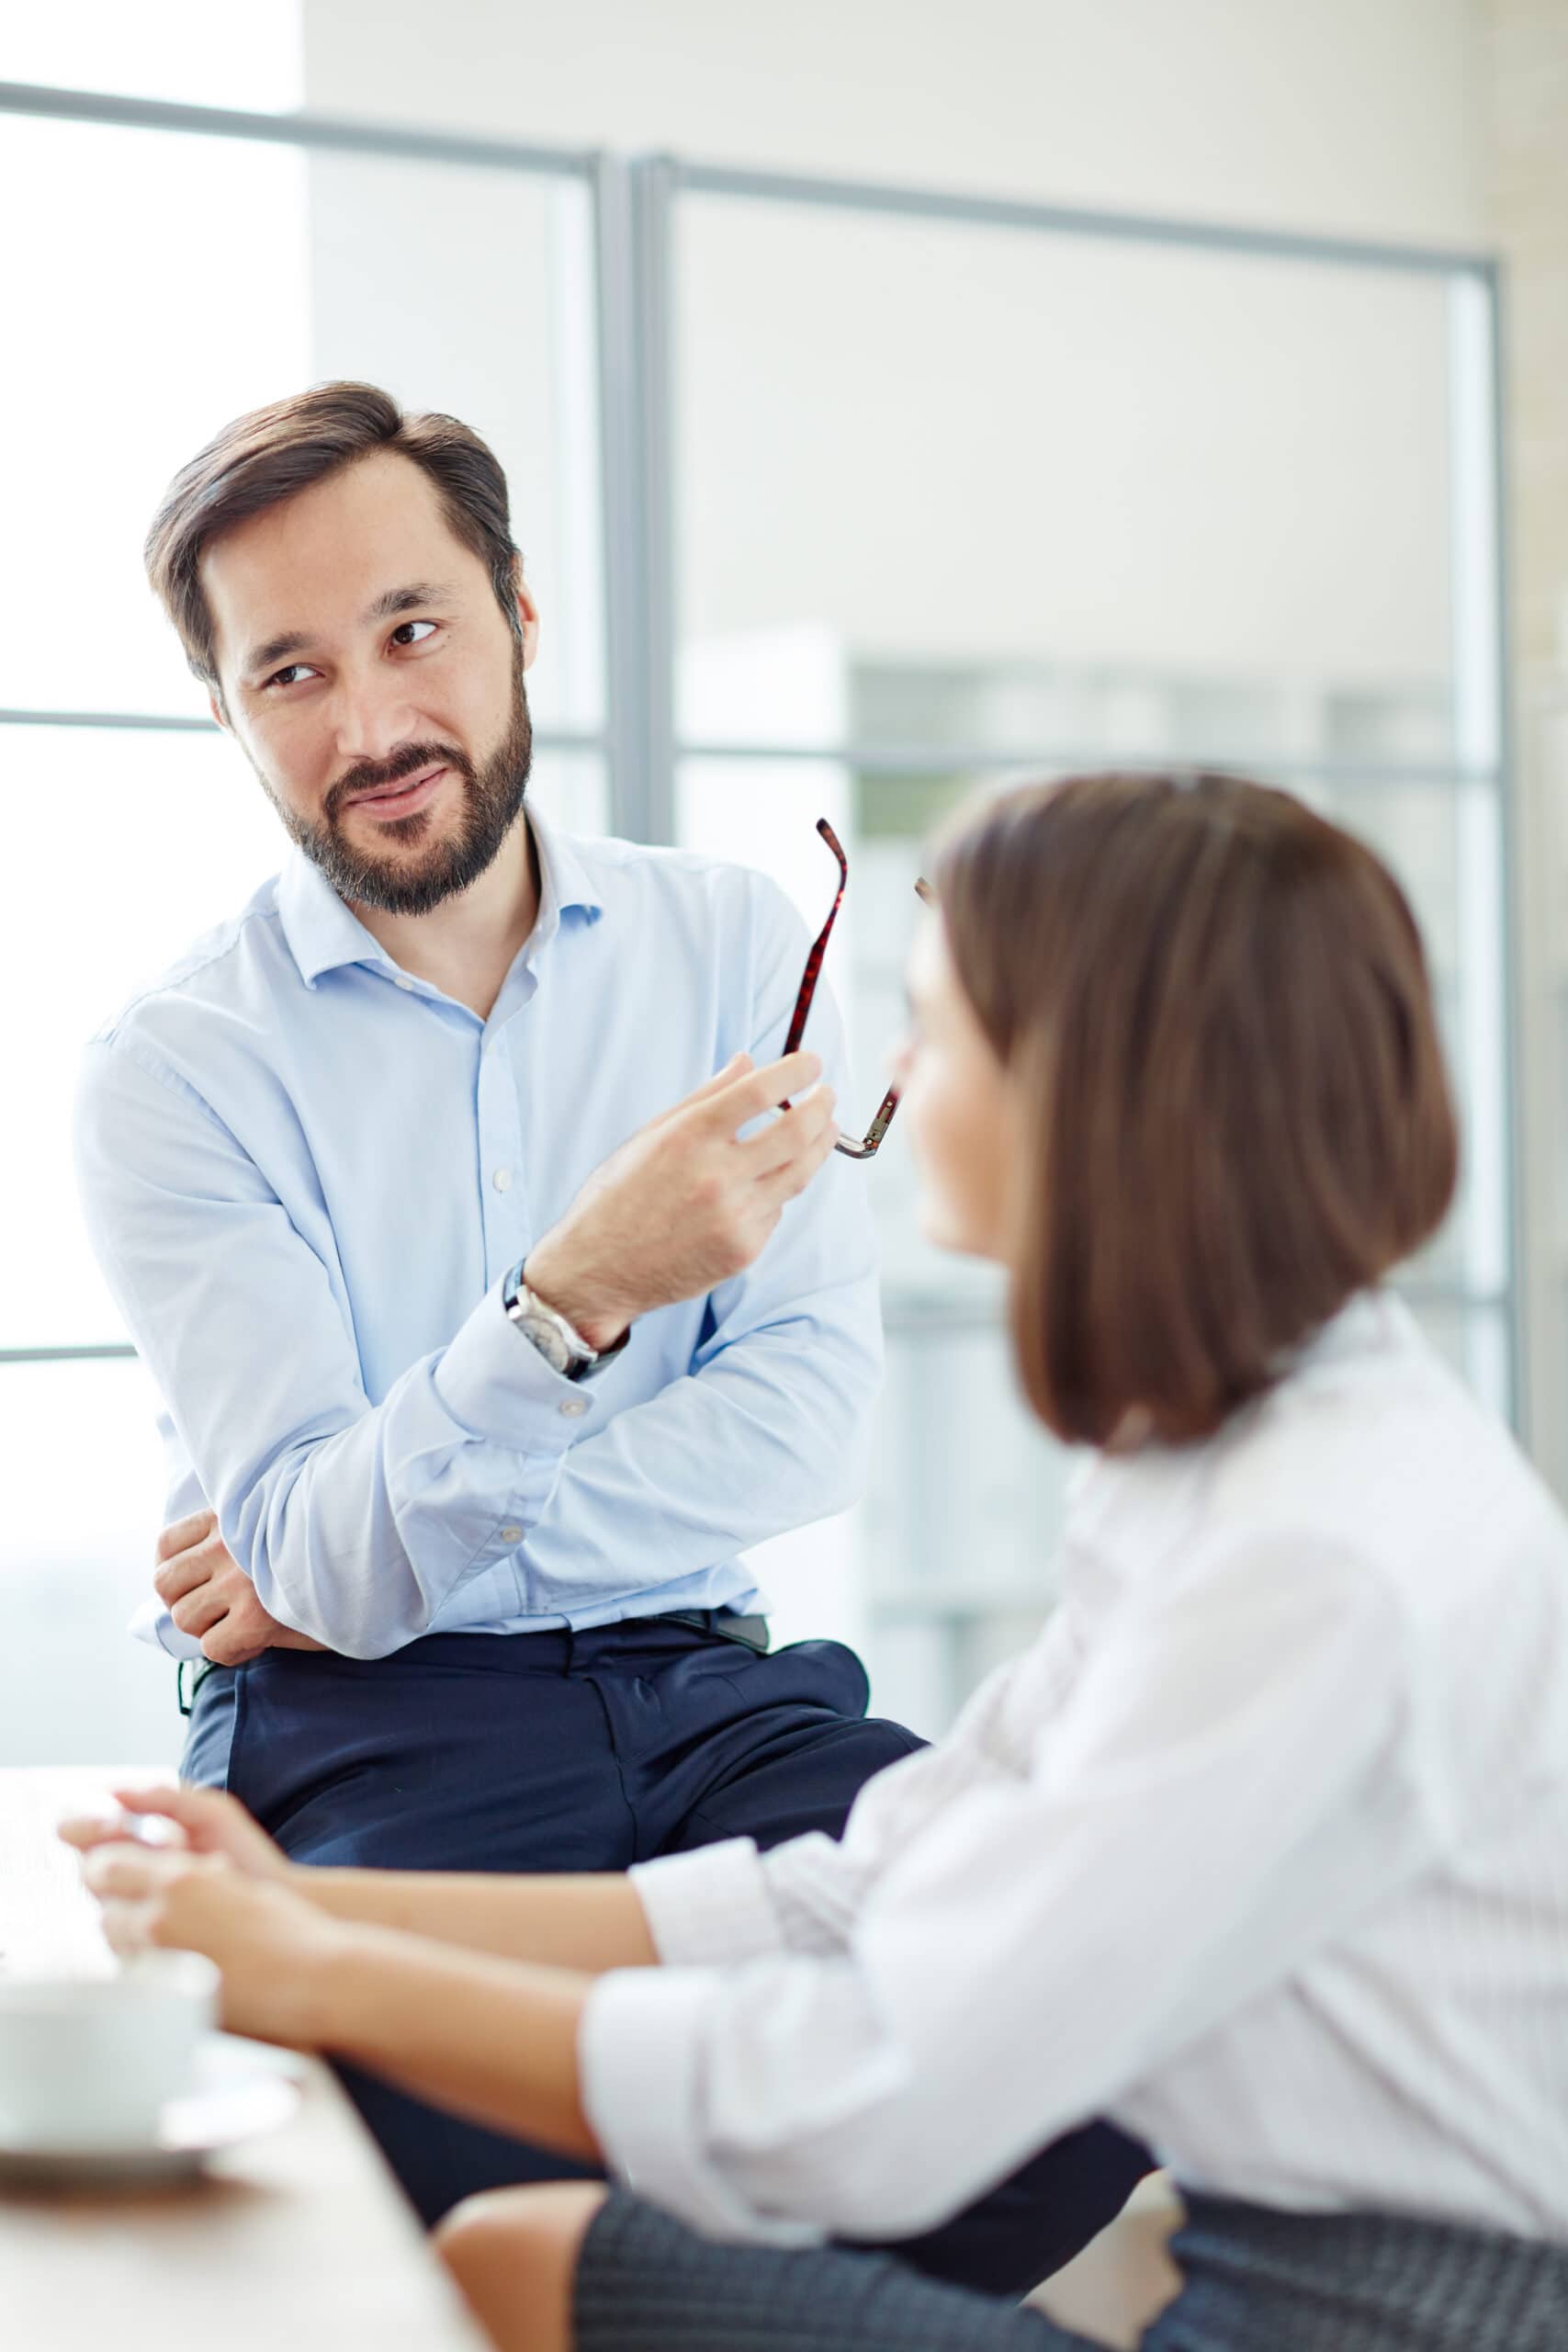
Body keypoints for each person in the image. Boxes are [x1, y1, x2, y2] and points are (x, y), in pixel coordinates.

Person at [70, 771, 1568, 2352]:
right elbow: (865, 1893)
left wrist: (323, 1977)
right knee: (531, 2250)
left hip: (1383, 2324)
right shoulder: (1222, 1459)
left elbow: (870, 2097)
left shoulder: (1313, 1556)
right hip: (1265, 2275)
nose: (895, 1080)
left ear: (1103, 1079)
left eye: (936, 1026)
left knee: (525, 2257)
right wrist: (327, 1917)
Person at [70, 385, 1146, 2257]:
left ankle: (638, 2276)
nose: (374, 723)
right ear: (229, 715)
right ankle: (653, 2254)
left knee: (1071, 2038)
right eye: (291, 675)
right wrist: (573, 1296)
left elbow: (799, 1419)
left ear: (517, 621)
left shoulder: (728, 945)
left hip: (709, 1691)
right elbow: (327, 1567)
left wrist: (375, 1534)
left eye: (413, 629)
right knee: (378, 2147)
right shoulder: (175, 1072)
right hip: (364, 1731)